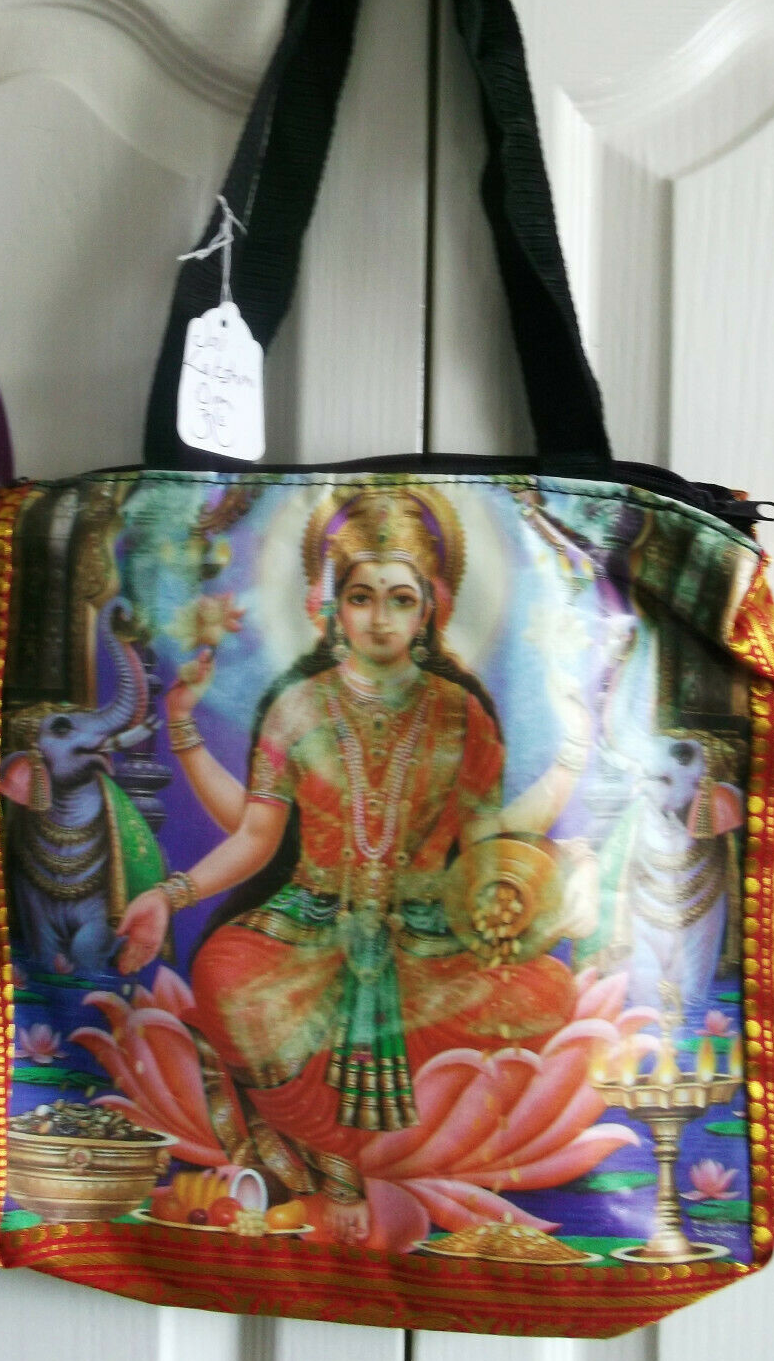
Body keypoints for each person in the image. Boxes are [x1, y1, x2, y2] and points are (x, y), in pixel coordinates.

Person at [118, 486, 594, 1242]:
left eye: (400, 599)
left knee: (548, 992)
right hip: (311, 928)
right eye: (362, 597)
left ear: (430, 609)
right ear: (331, 607)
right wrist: (167, 897)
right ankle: (332, 1161)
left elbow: (485, 842)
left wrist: (572, 754)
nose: (380, 618)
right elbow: (257, 836)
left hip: (427, 937)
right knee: (224, 974)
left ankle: (363, 1156)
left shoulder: (462, 713)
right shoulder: (297, 707)